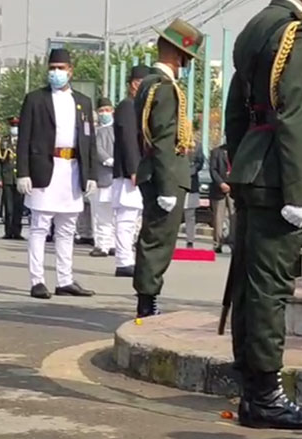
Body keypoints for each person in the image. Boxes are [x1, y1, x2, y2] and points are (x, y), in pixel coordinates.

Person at [223, 0, 302, 429]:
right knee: (270, 288)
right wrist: (296, 188)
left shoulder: (256, 25)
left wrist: (242, 165)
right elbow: (292, 113)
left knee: (248, 286)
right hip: (280, 175)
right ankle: (267, 396)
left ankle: (253, 392)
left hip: (255, 165)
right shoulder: (300, 35)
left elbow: (236, 112)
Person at [133, 19, 202, 317]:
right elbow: (162, 137)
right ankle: (147, 302)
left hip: (158, 171)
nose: (186, 64)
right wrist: (165, 186)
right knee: (158, 241)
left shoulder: (148, 84)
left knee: (154, 237)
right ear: (177, 56)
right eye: (187, 58)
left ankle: (148, 298)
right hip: (166, 175)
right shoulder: (164, 88)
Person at [16, 48, 97, 299]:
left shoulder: (83, 102)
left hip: (72, 169)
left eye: (61, 68)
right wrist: (23, 172)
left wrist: (90, 174)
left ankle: (65, 279)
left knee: (66, 228)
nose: (56, 73)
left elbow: (89, 141)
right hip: (44, 167)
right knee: (40, 226)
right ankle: (37, 280)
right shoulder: (35, 99)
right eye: (52, 68)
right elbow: (24, 139)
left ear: (71, 71)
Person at [112, 66, 150, 278]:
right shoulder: (128, 106)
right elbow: (128, 139)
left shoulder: (138, 107)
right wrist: (134, 169)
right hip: (130, 172)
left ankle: (129, 257)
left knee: (134, 218)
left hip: (137, 170)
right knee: (126, 218)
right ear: (135, 84)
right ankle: (124, 260)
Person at [90, 97, 116, 258]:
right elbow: (96, 148)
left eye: (107, 110)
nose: (104, 113)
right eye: (101, 111)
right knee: (100, 214)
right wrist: (107, 159)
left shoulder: (119, 129)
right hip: (101, 178)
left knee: (115, 214)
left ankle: (112, 244)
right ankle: (101, 244)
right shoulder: (95, 131)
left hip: (116, 177)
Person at [0, 117, 24, 240]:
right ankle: (8, 231)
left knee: (18, 207)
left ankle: (17, 232)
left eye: (16, 126)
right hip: (7, 178)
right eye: (13, 126)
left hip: (20, 178)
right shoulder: (3, 142)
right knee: (8, 208)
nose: (14, 129)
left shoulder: (24, 142)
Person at [209, 144, 233, 254]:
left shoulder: (237, 150)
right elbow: (213, 170)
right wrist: (221, 183)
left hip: (234, 189)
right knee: (218, 218)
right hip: (219, 190)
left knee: (234, 217)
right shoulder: (216, 151)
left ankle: (234, 243)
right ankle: (217, 243)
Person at [183, 144, 205, 249]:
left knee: (190, 215)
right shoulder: (176, 142)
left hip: (192, 184)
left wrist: (190, 171)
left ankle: (190, 240)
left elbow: (200, 163)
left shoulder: (197, 145)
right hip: (176, 183)